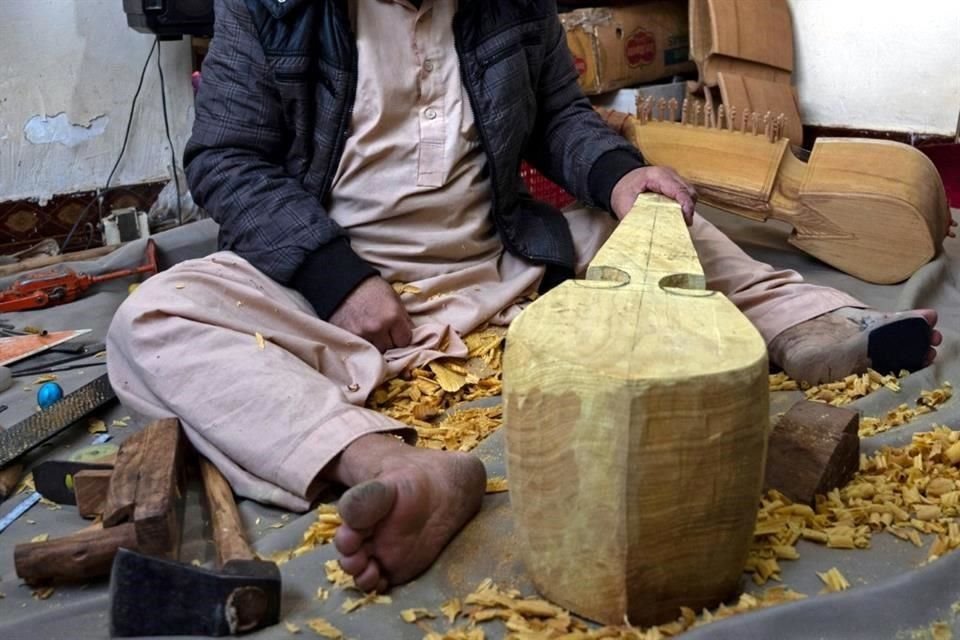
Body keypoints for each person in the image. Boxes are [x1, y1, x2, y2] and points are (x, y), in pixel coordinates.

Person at [106, 0, 941, 594]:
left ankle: (804, 325)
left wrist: (619, 178)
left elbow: (560, 121)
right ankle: (395, 466)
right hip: (326, 291)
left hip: (501, 260)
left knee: (654, 216)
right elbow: (225, 160)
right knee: (152, 318)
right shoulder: (269, 9)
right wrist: (333, 275)